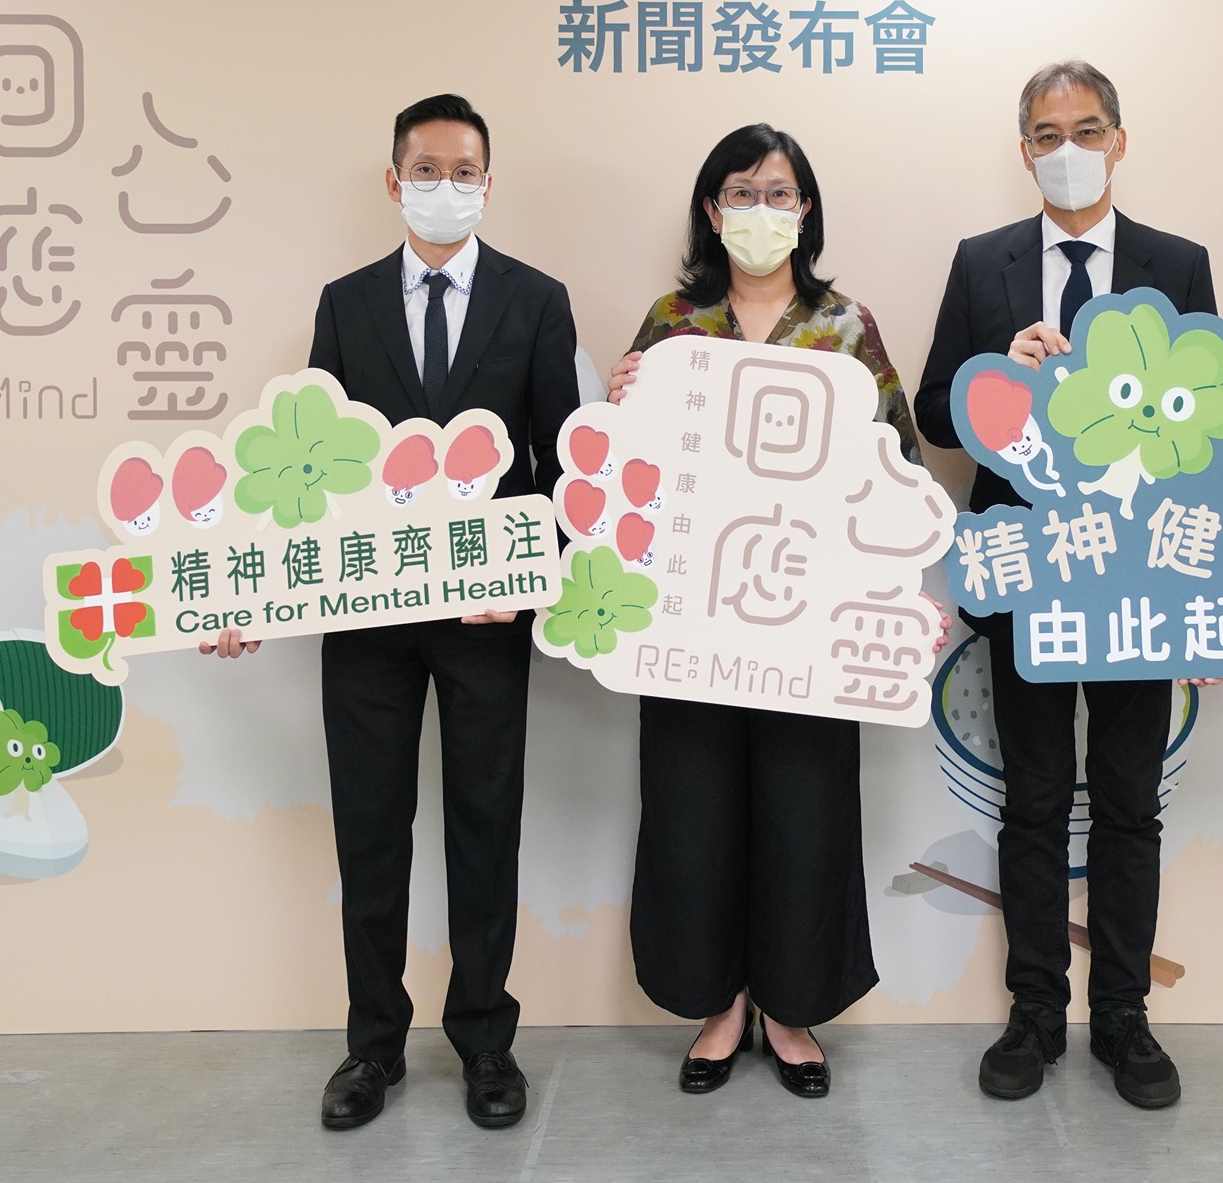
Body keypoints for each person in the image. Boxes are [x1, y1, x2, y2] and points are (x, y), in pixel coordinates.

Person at [202, 93, 579, 1131]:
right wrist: (246, 589)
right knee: (371, 833)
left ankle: (485, 1043)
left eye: (464, 170)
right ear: (393, 179)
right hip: (365, 620)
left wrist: (528, 573)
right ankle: (372, 1046)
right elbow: (308, 469)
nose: (445, 186)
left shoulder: (536, 299)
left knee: (481, 831)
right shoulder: (346, 301)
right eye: (427, 168)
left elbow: (561, 465)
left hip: (485, 624)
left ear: (487, 184)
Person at [604, 123, 946, 1099]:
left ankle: (788, 1004)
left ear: (806, 211)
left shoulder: (844, 327)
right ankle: (718, 1001)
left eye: (781, 192)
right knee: (693, 809)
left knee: (803, 812)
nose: (762, 210)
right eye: (741, 193)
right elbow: (613, 479)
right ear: (711, 212)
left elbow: (903, 471)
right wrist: (622, 400)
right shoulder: (672, 322)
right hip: (685, 624)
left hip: (809, 625)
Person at [912, 61, 1217, 1110]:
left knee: (1130, 803)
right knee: (1034, 800)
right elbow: (932, 412)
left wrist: (1199, 603)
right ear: (1025, 148)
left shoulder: (1178, 263)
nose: (1068, 147)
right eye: (1046, 133)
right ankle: (1035, 1010)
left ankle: (1122, 1015)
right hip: (1027, 569)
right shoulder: (981, 262)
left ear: (1119, 139)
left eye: (1085, 128)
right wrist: (1000, 368)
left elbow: (1209, 432)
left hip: (1138, 577)